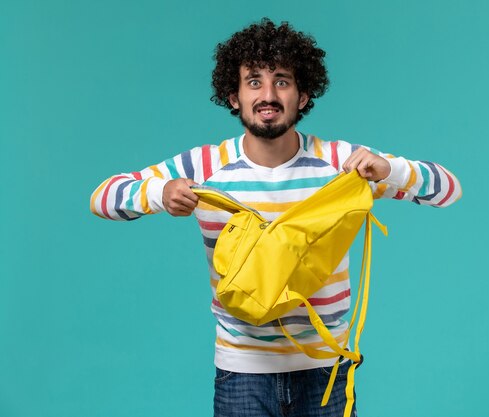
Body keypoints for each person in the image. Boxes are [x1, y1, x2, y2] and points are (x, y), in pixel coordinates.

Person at [90, 18, 462, 417]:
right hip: (242, 370)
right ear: (233, 96)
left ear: (303, 96)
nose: (268, 95)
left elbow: (448, 190)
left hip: (326, 370)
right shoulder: (204, 165)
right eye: (254, 82)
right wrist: (158, 193)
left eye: (282, 81)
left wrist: (391, 169)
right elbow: (102, 198)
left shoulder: (341, 164)